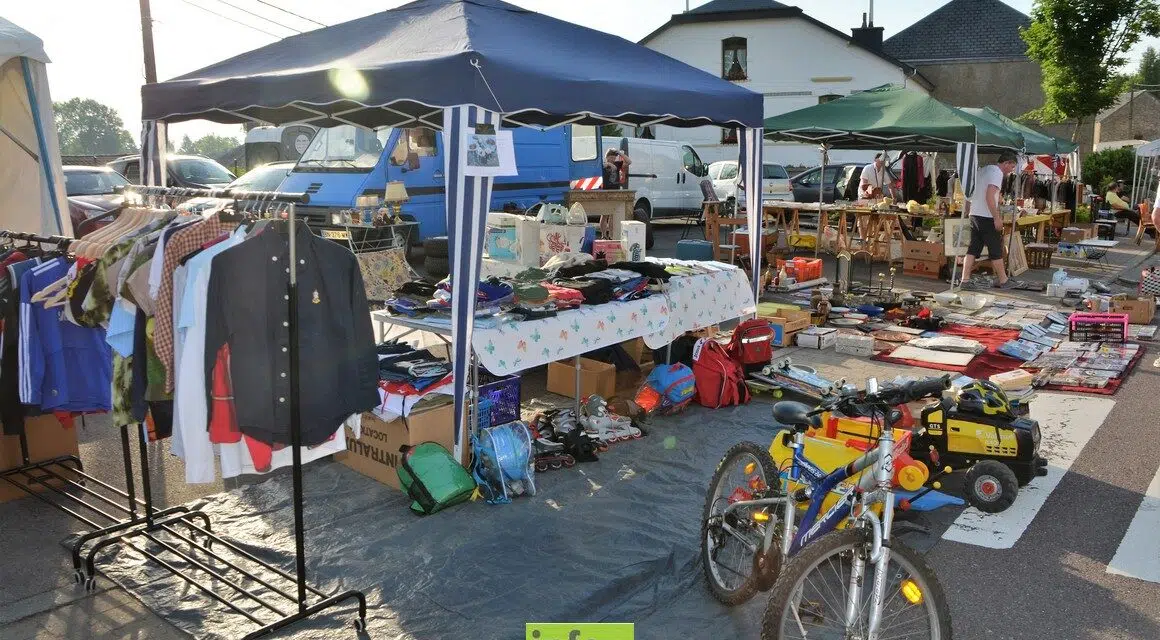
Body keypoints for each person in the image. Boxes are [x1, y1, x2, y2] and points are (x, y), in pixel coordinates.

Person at [961, 150, 1019, 290]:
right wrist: (996, 218)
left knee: (973, 248)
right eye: (1012, 167)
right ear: (1006, 163)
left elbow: (970, 193)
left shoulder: (983, 170)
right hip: (986, 216)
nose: (1012, 170)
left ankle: (965, 280)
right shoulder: (996, 173)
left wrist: (968, 210)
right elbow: (989, 196)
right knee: (995, 248)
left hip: (975, 214)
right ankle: (1003, 280)